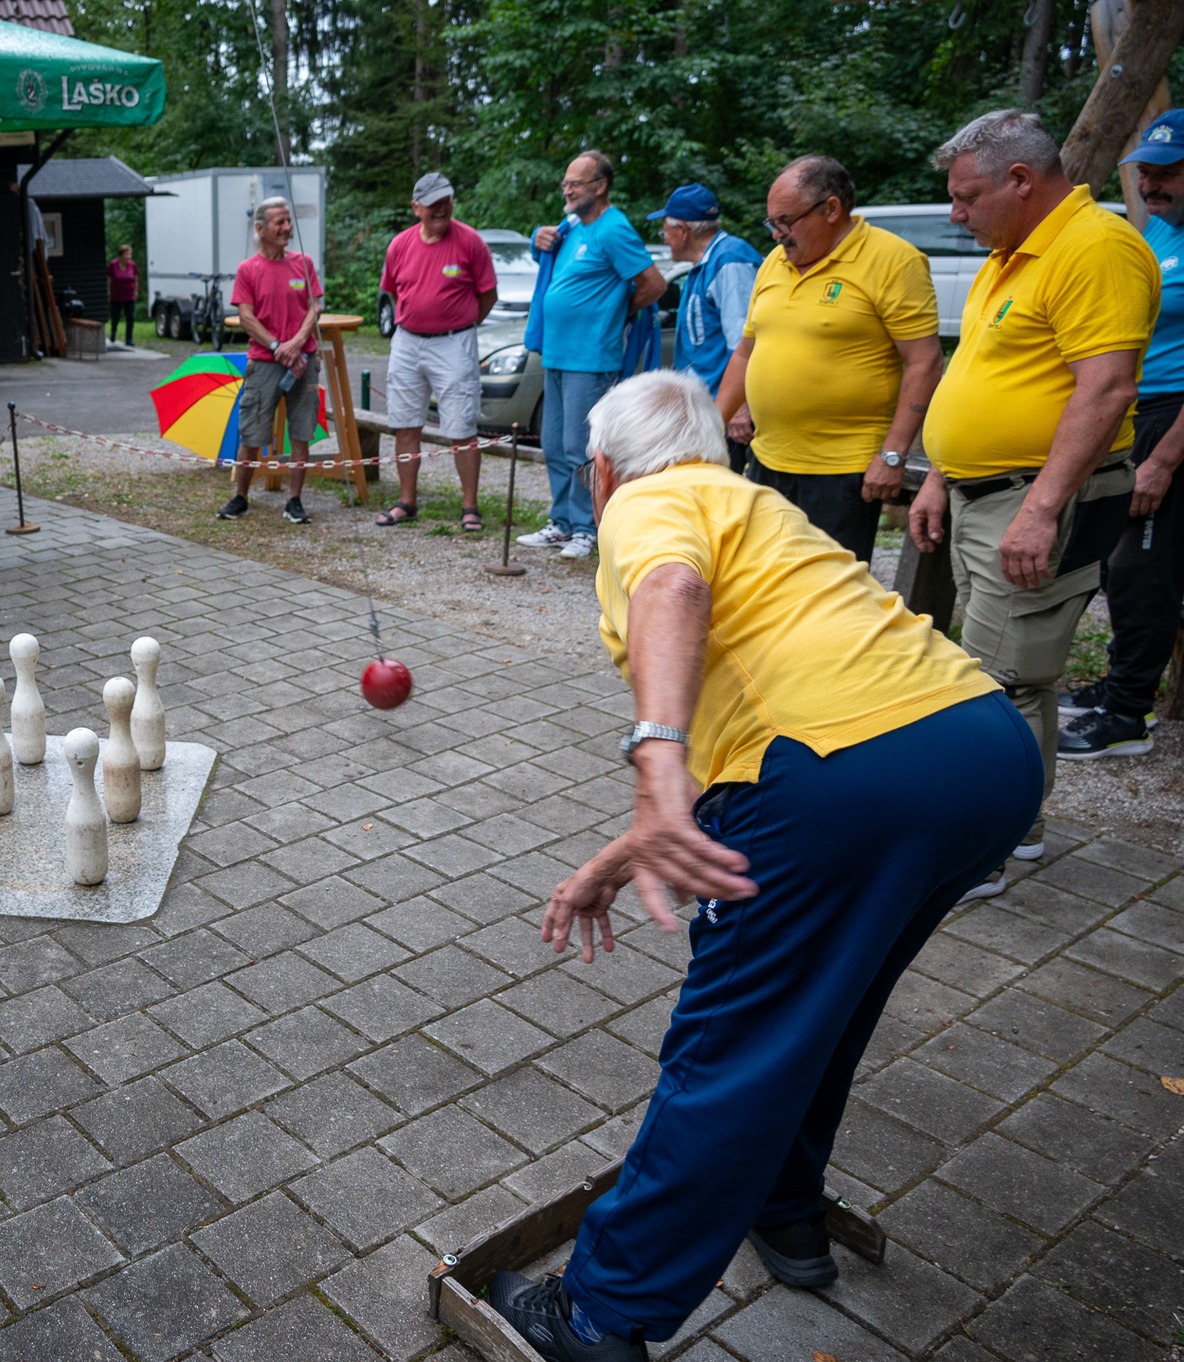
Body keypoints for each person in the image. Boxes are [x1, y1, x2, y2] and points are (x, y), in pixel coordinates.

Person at [484, 370, 1037, 1362]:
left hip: (845, 784)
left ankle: (597, 1315)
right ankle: (783, 1208)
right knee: (828, 998)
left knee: (731, 1047)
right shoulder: (748, 503)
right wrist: (628, 842)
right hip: (980, 752)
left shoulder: (644, 506)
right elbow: (763, 697)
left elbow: (671, 588)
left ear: (600, 470)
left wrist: (651, 761)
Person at [912, 109, 1156, 888]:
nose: (955, 214)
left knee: (1002, 681)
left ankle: (989, 842)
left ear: (1021, 180)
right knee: (992, 673)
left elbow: (1109, 385)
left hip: (1035, 499)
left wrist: (1043, 507)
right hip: (982, 495)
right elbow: (982, 375)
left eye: (965, 196)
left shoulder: (1096, 247)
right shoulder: (1010, 254)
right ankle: (1009, 822)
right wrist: (941, 473)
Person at [714, 157, 942, 563]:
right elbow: (746, 351)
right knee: (765, 582)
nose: (776, 234)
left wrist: (892, 454)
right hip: (768, 460)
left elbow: (923, 362)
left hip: (843, 471)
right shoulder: (775, 263)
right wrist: (710, 429)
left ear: (831, 209)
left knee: (826, 597)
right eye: (771, 222)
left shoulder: (894, 261)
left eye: (784, 221)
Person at [1058, 110, 1184, 760]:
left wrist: (1163, 460)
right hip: (1141, 407)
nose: (1153, 183)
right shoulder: (1158, 229)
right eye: (1148, 171)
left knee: (1142, 565)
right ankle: (1117, 684)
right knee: (1118, 561)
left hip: (1174, 421)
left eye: (1169, 171)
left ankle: (1129, 714)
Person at [521, 150, 666, 560]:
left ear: (600, 187)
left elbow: (653, 284)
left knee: (581, 448)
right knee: (553, 444)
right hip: (557, 354)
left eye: (576, 183)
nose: (567, 189)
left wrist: (615, 314)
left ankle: (589, 528)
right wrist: (537, 238)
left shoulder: (613, 228)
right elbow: (549, 260)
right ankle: (562, 522)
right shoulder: (574, 226)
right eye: (565, 183)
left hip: (592, 357)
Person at [372, 172, 498, 534]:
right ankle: (406, 502)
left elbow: (488, 295)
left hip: (454, 342)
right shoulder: (399, 245)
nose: (442, 208)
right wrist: (417, 318)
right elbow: (394, 291)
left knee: (461, 425)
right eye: (433, 204)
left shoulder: (470, 242)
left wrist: (460, 325)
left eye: (446, 200)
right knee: (405, 422)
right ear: (417, 208)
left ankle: (469, 506)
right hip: (408, 341)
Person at [217, 196, 324, 526]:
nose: (287, 228)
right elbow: (246, 317)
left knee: (302, 433)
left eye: (289, 221)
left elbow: (314, 307)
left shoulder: (303, 263)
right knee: (251, 433)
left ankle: (294, 500)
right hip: (265, 361)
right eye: (280, 222)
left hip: (303, 360)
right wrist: (280, 347)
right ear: (260, 229)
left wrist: (295, 345)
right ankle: (241, 497)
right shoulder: (247, 270)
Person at [647, 184, 761, 473]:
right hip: (709, 409)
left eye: (665, 232)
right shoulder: (704, 263)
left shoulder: (730, 260)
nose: (665, 239)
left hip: (728, 411)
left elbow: (746, 343)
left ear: (682, 230)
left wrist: (740, 408)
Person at [107, 243, 139, 344]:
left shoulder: (132, 265)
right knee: (115, 316)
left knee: (130, 317)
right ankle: (113, 332)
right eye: (126, 254)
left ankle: (129, 338)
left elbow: (136, 279)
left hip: (129, 295)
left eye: (130, 254)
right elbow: (109, 278)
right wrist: (108, 291)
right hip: (116, 295)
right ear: (121, 255)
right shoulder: (113, 265)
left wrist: (136, 291)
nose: (129, 257)